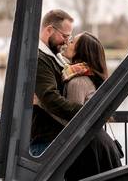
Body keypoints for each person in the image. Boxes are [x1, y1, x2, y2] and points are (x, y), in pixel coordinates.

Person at [60, 32, 122, 180]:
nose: (67, 43)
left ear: (81, 51)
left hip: (89, 151)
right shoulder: (90, 76)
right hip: (100, 145)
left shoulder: (78, 81)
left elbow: (73, 121)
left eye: (72, 42)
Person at [30, 9, 82, 156]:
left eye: (69, 36)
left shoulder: (54, 56)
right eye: (65, 36)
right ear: (49, 30)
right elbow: (50, 98)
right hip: (46, 141)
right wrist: (87, 112)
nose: (67, 41)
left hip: (55, 139)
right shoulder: (40, 59)